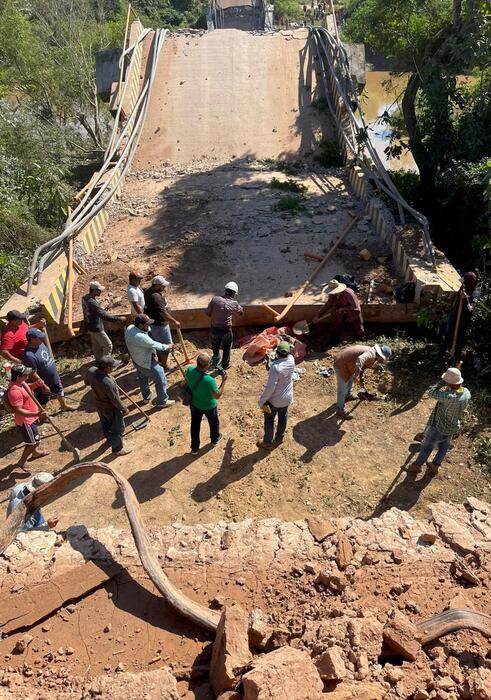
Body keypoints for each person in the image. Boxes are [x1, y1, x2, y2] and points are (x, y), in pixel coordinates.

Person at [408, 367, 471, 476]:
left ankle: (416, 466)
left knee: (427, 446)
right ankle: (435, 465)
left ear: (449, 383)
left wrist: (441, 382)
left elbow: (431, 392)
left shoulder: (448, 396)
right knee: (444, 446)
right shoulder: (466, 392)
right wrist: (449, 386)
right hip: (452, 425)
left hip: (439, 427)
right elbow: (454, 392)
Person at [125, 314, 175, 408]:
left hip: (137, 359)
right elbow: (155, 345)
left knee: (143, 378)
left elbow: (147, 333)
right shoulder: (140, 337)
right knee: (160, 377)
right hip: (146, 361)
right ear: (140, 325)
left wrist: (148, 328)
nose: (149, 326)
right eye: (147, 325)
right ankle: (162, 401)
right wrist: (169, 346)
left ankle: (146, 398)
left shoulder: (131, 327)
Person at [22, 328, 78, 412]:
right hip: (44, 382)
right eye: (39, 337)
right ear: (32, 339)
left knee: (59, 390)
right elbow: (33, 374)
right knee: (43, 399)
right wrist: (43, 386)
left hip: (53, 377)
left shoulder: (40, 344)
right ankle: (41, 415)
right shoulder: (28, 356)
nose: (42, 339)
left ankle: (64, 406)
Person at [85, 355, 131, 456]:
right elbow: (115, 400)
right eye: (112, 367)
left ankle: (109, 440)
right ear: (107, 368)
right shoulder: (107, 383)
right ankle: (117, 449)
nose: (113, 368)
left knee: (105, 423)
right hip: (111, 407)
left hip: (99, 404)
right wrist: (124, 409)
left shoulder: (91, 371)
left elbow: (86, 383)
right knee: (117, 428)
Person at [6, 365, 49, 470]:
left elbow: (27, 389)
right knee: (34, 442)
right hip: (26, 422)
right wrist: (38, 414)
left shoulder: (21, 383)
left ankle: (35, 453)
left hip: (31, 417)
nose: (28, 375)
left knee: (34, 441)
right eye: (25, 374)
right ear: (18, 376)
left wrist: (36, 384)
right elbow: (18, 410)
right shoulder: (14, 391)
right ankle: (21, 462)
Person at [333, 343, 392, 420]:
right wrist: (357, 374)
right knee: (342, 389)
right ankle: (340, 410)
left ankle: (348, 395)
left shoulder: (373, 352)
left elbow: (361, 367)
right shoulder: (371, 354)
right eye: (383, 359)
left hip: (347, 363)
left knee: (350, 378)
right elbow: (360, 359)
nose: (382, 360)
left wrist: (361, 381)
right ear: (381, 355)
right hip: (341, 364)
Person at [185, 353, 226, 455]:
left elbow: (195, 377)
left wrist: (209, 374)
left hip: (194, 404)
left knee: (195, 425)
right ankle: (214, 440)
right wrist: (223, 381)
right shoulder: (209, 381)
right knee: (213, 423)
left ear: (197, 362)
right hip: (209, 406)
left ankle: (194, 448)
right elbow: (217, 395)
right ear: (208, 365)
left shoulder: (189, 370)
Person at [257, 340, 295, 450]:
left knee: (269, 420)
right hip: (287, 398)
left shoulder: (275, 367)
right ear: (288, 353)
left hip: (274, 401)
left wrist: (262, 401)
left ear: (277, 353)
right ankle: (279, 438)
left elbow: (270, 388)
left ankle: (267, 443)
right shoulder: (291, 360)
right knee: (283, 417)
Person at [81, 281, 126, 361]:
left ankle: (99, 360)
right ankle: (105, 363)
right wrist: (118, 319)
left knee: (96, 346)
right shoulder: (92, 302)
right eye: (99, 290)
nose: (101, 291)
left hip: (89, 327)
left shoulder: (84, 298)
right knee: (108, 345)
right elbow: (103, 315)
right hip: (96, 328)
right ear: (94, 291)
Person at [144, 276, 181, 370]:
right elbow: (163, 313)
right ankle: (164, 365)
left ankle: (161, 362)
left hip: (153, 324)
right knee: (166, 346)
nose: (164, 287)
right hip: (160, 325)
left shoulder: (148, 291)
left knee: (159, 344)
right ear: (156, 285)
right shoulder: (156, 297)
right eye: (162, 286)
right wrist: (174, 321)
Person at [206, 281, 244, 370]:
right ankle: (224, 365)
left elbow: (208, 313)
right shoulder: (234, 304)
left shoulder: (215, 299)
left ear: (225, 290)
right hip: (225, 330)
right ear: (234, 293)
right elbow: (241, 312)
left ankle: (215, 362)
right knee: (226, 348)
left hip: (214, 329)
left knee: (215, 346)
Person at [443, 271, 479, 359]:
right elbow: (457, 298)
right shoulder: (463, 287)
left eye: (464, 282)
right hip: (454, 314)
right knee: (449, 332)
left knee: (459, 336)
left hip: (463, 319)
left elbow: (470, 308)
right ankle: (444, 350)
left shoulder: (475, 293)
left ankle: (456, 355)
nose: (463, 284)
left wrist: (466, 298)